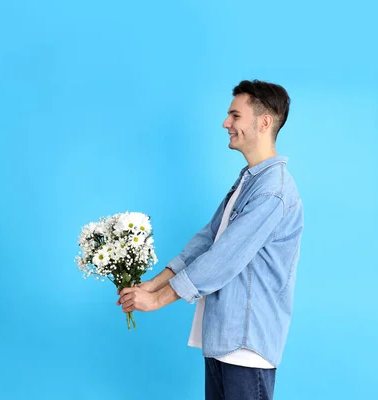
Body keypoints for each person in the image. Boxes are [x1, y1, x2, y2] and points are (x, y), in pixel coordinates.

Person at [117, 80, 303, 400]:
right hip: (224, 341)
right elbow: (209, 239)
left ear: (264, 122)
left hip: (246, 347)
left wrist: (158, 301)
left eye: (235, 115)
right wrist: (153, 284)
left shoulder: (272, 191)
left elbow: (224, 258)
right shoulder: (249, 180)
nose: (225, 123)